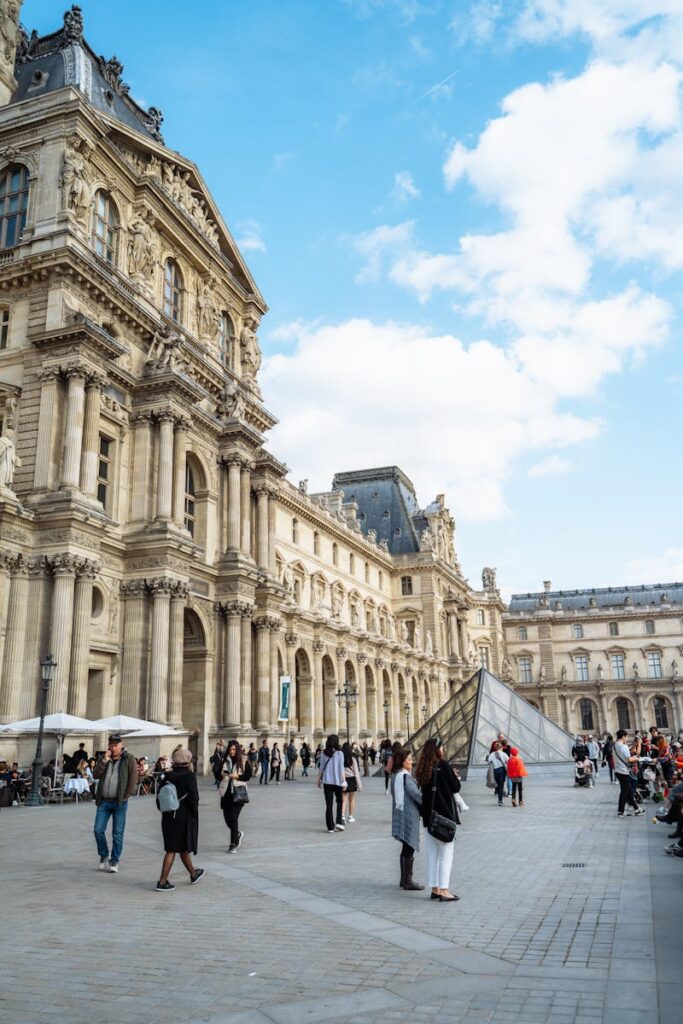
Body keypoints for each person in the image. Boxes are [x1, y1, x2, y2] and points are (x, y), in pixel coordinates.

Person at [415, 737, 461, 901]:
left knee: (432, 855)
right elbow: (456, 787)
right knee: (446, 854)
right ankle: (444, 890)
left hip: (429, 818)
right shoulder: (443, 765)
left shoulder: (422, 769)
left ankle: (434, 888)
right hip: (444, 818)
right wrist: (454, 776)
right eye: (441, 748)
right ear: (438, 750)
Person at [155, 747, 204, 892]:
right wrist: (194, 814)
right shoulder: (189, 776)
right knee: (172, 849)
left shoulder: (167, 775)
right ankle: (162, 881)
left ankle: (193, 874)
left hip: (168, 815)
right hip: (183, 816)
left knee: (181, 847)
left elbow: (159, 797)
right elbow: (194, 798)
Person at [93, 734, 138, 873]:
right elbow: (95, 775)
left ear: (121, 745)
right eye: (111, 745)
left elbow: (133, 777)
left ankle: (114, 860)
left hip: (119, 802)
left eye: (115, 745)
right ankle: (104, 854)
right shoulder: (104, 759)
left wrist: (126, 796)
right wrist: (104, 761)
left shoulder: (128, 758)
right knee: (98, 830)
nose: (113, 748)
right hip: (104, 801)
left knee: (117, 833)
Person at [391, 747, 423, 891]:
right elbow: (416, 795)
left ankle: (404, 879)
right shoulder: (404, 776)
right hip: (408, 814)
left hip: (400, 812)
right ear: (402, 762)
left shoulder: (395, 775)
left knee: (405, 846)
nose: (412, 761)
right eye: (409, 759)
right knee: (409, 846)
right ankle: (407, 880)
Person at [220, 739, 252, 853]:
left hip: (238, 793)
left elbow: (248, 775)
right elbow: (217, 773)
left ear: (237, 750)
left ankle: (233, 844)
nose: (231, 751)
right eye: (230, 749)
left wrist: (237, 776)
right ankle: (237, 833)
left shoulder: (243, 761)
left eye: (233, 749)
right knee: (227, 819)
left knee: (233, 818)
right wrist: (222, 774)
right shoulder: (225, 760)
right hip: (226, 793)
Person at [317, 733, 347, 832]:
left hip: (327, 782)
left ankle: (330, 827)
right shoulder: (340, 754)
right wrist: (344, 781)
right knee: (340, 802)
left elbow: (321, 768)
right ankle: (339, 823)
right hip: (338, 782)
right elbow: (342, 770)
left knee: (329, 804)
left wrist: (318, 780)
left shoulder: (324, 753)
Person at [613, 729, 645, 817]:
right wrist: (638, 758)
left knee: (628, 791)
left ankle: (636, 809)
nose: (626, 739)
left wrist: (635, 744)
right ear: (623, 736)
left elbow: (625, 754)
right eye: (626, 737)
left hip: (618, 771)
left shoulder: (615, 745)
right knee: (625, 792)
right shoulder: (623, 746)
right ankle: (621, 811)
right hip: (623, 771)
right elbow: (629, 759)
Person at [341, 741, 362, 822]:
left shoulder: (341, 759)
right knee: (351, 799)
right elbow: (356, 773)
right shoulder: (352, 759)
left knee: (343, 799)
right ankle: (350, 816)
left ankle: (342, 815)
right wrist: (359, 785)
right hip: (352, 779)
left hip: (343, 780)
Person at [487, 741, 509, 806]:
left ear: (495, 748)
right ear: (501, 747)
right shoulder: (504, 754)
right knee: (501, 786)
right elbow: (508, 761)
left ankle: (498, 793)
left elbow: (489, 762)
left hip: (495, 771)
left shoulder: (492, 754)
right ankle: (500, 801)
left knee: (498, 785)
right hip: (502, 770)